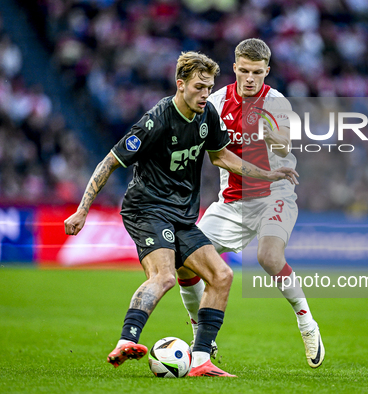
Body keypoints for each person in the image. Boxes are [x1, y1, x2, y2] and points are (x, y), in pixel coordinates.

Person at [63, 51, 298, 377]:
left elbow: (223, 157)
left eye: (209, 87)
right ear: (181, 84)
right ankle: (125, 341)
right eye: (199, 87)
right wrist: (82, 210)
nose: (205, 94)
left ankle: (200, 359)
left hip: (182, 215)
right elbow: (110, 161)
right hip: (146, 209)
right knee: (165, 277)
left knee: (222, 276)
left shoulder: (208, 116)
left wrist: (269, 174)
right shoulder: (156, 120)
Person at [176, 39, 325, 368]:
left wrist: (264, 130)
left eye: (257, 72)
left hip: (276, 194)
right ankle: (200, 333)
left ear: (266, 71)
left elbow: (284, 141)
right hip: (231, 203)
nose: (249, 78)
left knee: (268, 256)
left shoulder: (276, 102)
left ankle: (306, 322)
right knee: (183, 260)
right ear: (235, 68)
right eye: (244, 71)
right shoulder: (214, 101)